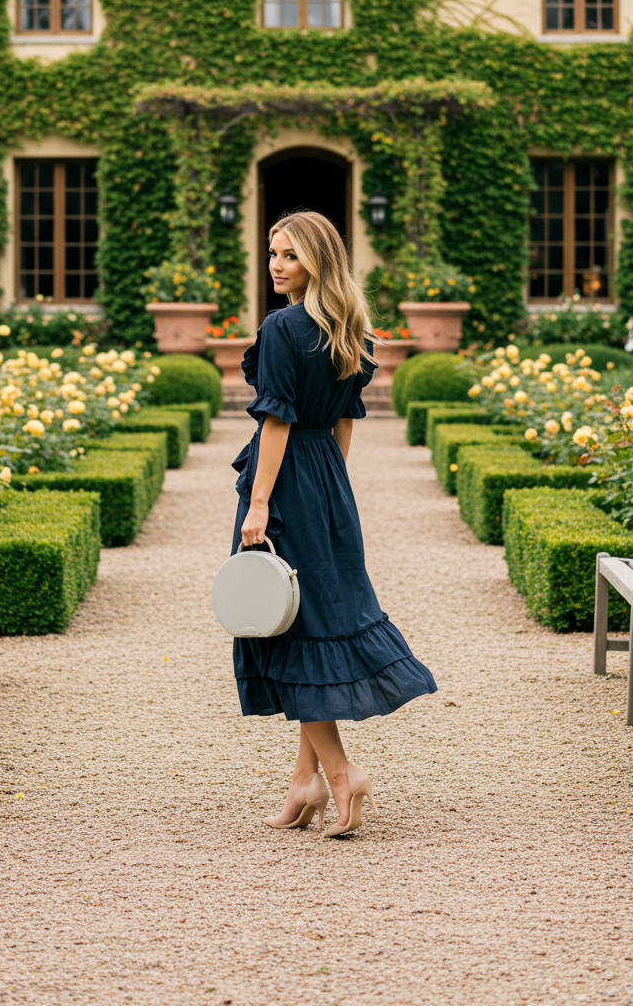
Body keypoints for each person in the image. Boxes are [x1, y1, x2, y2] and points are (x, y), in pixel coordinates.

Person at [231, 210, 437, 838]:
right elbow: (345, 419)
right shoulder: (351, 329)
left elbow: (277, 422)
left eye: (290, 255)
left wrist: (262, 503)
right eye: (272, 253)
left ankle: (343, 777)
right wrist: (331, 490)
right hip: (326, 480)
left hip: (288, 481)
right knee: (311, 623)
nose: (276, 265)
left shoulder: (283, 328)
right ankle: (304, 784)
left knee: (290, 629)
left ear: (316, 261)